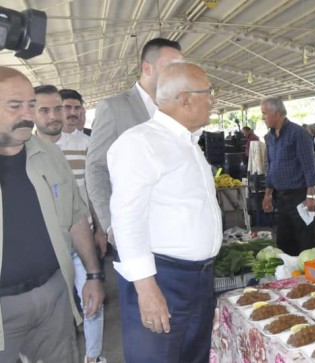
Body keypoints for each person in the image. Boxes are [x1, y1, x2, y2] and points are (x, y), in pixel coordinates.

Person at [107, 62, 222, 362]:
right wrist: (147, 290)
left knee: (194, 356)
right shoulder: (141, 143)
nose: (213, 100)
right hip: (163, 278)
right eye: (209, 92)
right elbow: (126, 219)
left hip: (198, 279)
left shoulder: (188, 143)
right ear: (186, 99)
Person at [0, 66, 104, 362]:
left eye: (31, 105)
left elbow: (75, 217)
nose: (28, 115)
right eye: (15, 106)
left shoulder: (50, 155)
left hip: (54, 296)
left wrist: (93, 275)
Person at [86, 38, 183, 251]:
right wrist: (112, 226)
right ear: (147, 68)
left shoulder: (177, 109)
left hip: (175, 229)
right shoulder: (113, 108)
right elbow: (95, 168)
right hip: (134, 230)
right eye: (170, 66)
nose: (178, 72)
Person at [33, 85, 107, 363]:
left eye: (77, 108)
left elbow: (94, 191)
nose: (71, 113)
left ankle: (93, 355)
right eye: (65, 108)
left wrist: (100, 228)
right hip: (48, 240)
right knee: (53, 305)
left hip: (82, 235)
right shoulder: (36, 147)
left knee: (92, 294)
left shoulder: (89, 144)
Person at [261, 97, 315, 256]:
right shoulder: (270, 137)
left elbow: (310, 167)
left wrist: (311, 196)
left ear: (277, 113)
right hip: (282, 199)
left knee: (306, 243)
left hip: (300, 197)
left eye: (265, 113)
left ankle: (311, 279)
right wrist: (268, 194)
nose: (262, 117)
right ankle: (292, 280)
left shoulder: (298, 133)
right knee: (285, 243)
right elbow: (271, 167)